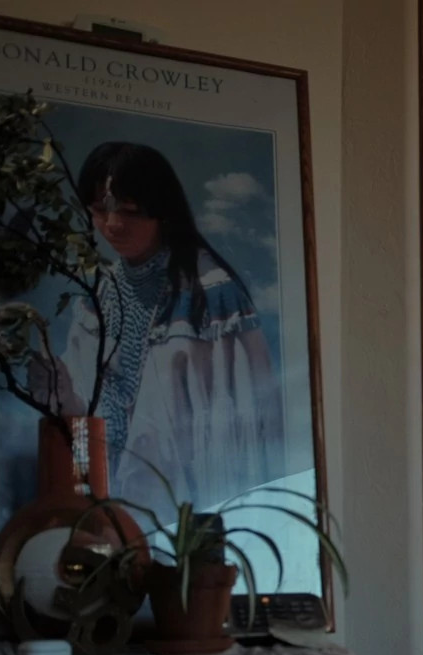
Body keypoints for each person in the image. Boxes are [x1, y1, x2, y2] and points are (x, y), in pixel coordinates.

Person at [34, 141, 284, 513]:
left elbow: (245, 420)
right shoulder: (97, 293)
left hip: (188, 500)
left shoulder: (213, 295)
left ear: (162, 213)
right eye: (100, 210)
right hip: (109, 497)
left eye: (131, 212)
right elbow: (85, 401)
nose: (113, 225)